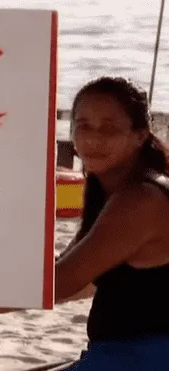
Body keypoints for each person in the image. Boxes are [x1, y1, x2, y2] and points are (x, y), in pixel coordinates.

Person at [54, 76, 169, 370]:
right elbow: (70, 264)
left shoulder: (140, 199)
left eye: (109, 128)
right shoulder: (111, 188)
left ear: (140, 135)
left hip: (142, 357)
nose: (93, 139)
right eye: (83, 126)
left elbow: (63, 282)